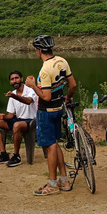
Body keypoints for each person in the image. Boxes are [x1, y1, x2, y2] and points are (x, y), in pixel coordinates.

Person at [25, 35, 76, 196]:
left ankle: (53, 184)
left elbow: (45, 96)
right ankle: (64, 180)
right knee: (55, 143)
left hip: (46, 112)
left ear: (38, 50)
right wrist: (67, 97)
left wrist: (33, 86)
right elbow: (72, 84)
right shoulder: (62, 61)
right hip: (58, 109)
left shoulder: (45, 69)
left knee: (50, 146)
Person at [0, 70, 38, 167]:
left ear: (21, 79)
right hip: (18, 119)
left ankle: (16, 156)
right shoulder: (13, 94)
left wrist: (14, 96)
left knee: (16, 125)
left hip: (32, 120)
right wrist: (3, 116)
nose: (15, 81)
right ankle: (3, 154)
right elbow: (10, 115)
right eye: (12, 79)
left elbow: (28, 101)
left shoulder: (30, 90)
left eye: (16, 78)